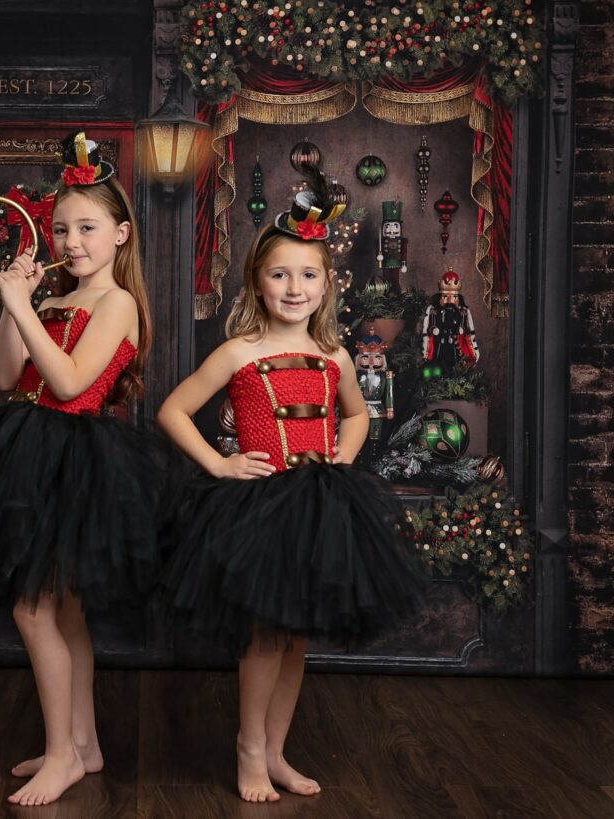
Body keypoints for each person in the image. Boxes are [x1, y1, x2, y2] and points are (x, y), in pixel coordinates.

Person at [0, 131, 162, 807]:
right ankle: (83, 742)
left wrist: (23, 307)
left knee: (32, 607)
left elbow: (76, 385)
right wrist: (12, 303)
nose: (71, 241)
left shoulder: (117, 304)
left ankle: (60, 755)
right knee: (65, 611)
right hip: (25, 445)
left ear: (120, 234)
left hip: (75, 457)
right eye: (60, 228)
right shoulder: (51, 298)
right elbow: (2, 375)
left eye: (87, 227)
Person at [158, 162, 425, 803]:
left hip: (320, 502)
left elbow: (357, 417)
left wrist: (342, 456)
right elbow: (172, 409)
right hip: (258, 504)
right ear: (257, 281)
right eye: (280, 274)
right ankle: (249, 747)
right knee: (264, 633)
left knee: (298, 631)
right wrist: (220, 464)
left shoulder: (334, 356)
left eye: (308, 275)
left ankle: (276, 751)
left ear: (328, 284)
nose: (294, 287)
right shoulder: (238, 351)